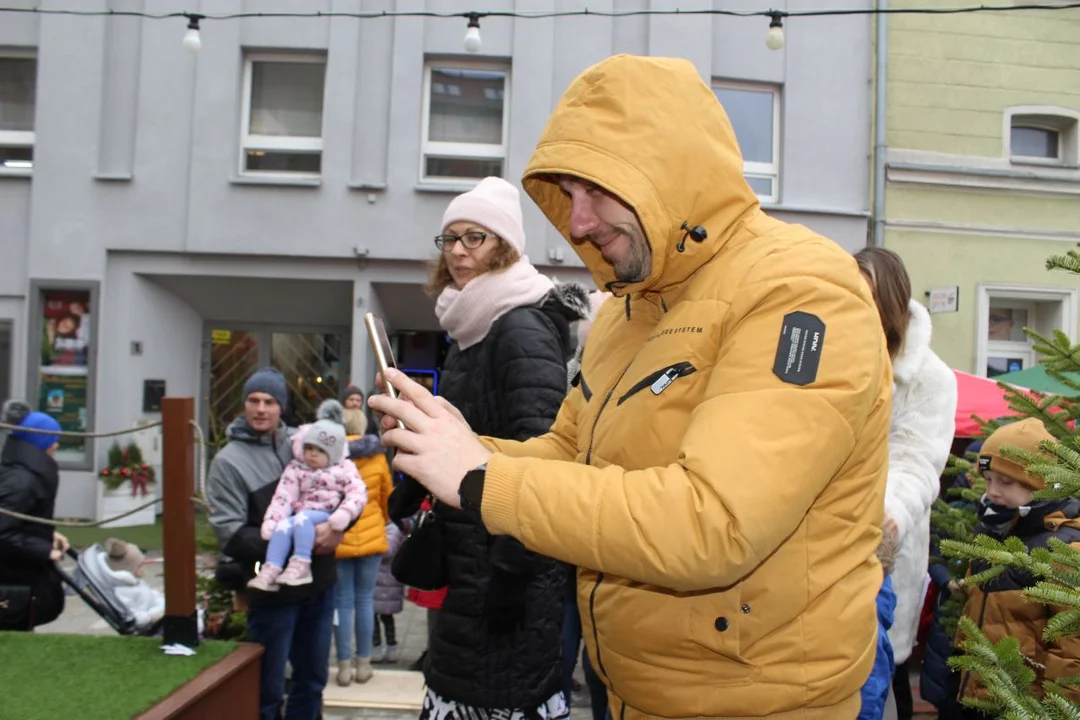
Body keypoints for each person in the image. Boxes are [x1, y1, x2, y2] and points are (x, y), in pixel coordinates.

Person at [369, 54, 892, 719]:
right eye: (567, 193)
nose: (578, 222)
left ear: (667, 168)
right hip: (631, 690)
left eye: (596, 188)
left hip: (759, 701)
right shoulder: (625, 308)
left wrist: (480, 478)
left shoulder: (801, 292)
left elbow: (714, 524)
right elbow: (570, 453)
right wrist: (458, 446)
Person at [389, 176, 590, 718]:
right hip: (473, 553)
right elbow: (467, 434)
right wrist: (414, 474)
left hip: (507, 567)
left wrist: (513, 571)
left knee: (495, 692)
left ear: (505, 245)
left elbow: (545, 456)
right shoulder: (473, 324)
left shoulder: (518, 327)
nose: (456, 251)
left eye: (474, 237)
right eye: (449, 238)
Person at [207, 368, 347, 720]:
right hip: (272, 594)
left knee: (312, 681)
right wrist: (295, 541)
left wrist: (340, 529)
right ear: (243, 405)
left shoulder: (303, 444)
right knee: (266, 689)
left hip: (319, 583)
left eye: (269, 401)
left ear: (281, 406)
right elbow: (230, 532)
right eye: (253, 400)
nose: (261, 409)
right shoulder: (228, 462)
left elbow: (346, 488)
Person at [855, 247, 957, 720]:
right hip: (813, 552)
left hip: (882, 552)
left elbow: (918, 462)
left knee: (878, 678)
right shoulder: (834, 356)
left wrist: (882, 521)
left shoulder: (929, 378)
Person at [955, 419, 1080, 715]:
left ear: (1039, 483)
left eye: (1006, 482)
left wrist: (1057, 710)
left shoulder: (1064, 549)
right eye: (987, 480)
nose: (993, 492)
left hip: (1027, 705)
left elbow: (1072, 649)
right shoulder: (993, 533)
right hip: (981, 695)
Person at [249, 400, 366, 591]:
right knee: (284, 525)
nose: (312, 454)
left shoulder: (343, 468)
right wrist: (273, 520)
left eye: (320, 450)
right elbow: (284, 497)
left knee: (301, 519)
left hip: (324, 514)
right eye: (309, 448)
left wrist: (344, 513)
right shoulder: (297, 468)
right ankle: (272, 568)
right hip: (300, 514)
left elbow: (358, 492)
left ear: (333, 453)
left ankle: (302, 563)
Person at [332, 396, 393, 686]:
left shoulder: (332, 454)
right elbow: (386, 499)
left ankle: (343, 666)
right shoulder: (378, 457)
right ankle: (364, 665)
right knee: (365, 600)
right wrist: (380, 520)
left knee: (342, 602)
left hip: (340, 537)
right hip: (371, 536)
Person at [0, 400, 67, 631]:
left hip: (18, 569)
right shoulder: (23, 480)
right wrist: (44, 550)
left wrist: (48, 533)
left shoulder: (22, 473)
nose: (57, 445)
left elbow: (19, 518)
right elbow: (3, 531)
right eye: (53, 439)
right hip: (13, 571)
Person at [100, 538, 166, 630]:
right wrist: (152, 617)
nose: (143, 569)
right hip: (153, 621)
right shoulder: (121, 592)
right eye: (139, 566)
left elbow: (148, 595)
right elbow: (133, 617)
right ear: (129, 569)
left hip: (158, 608)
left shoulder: (132, 583)